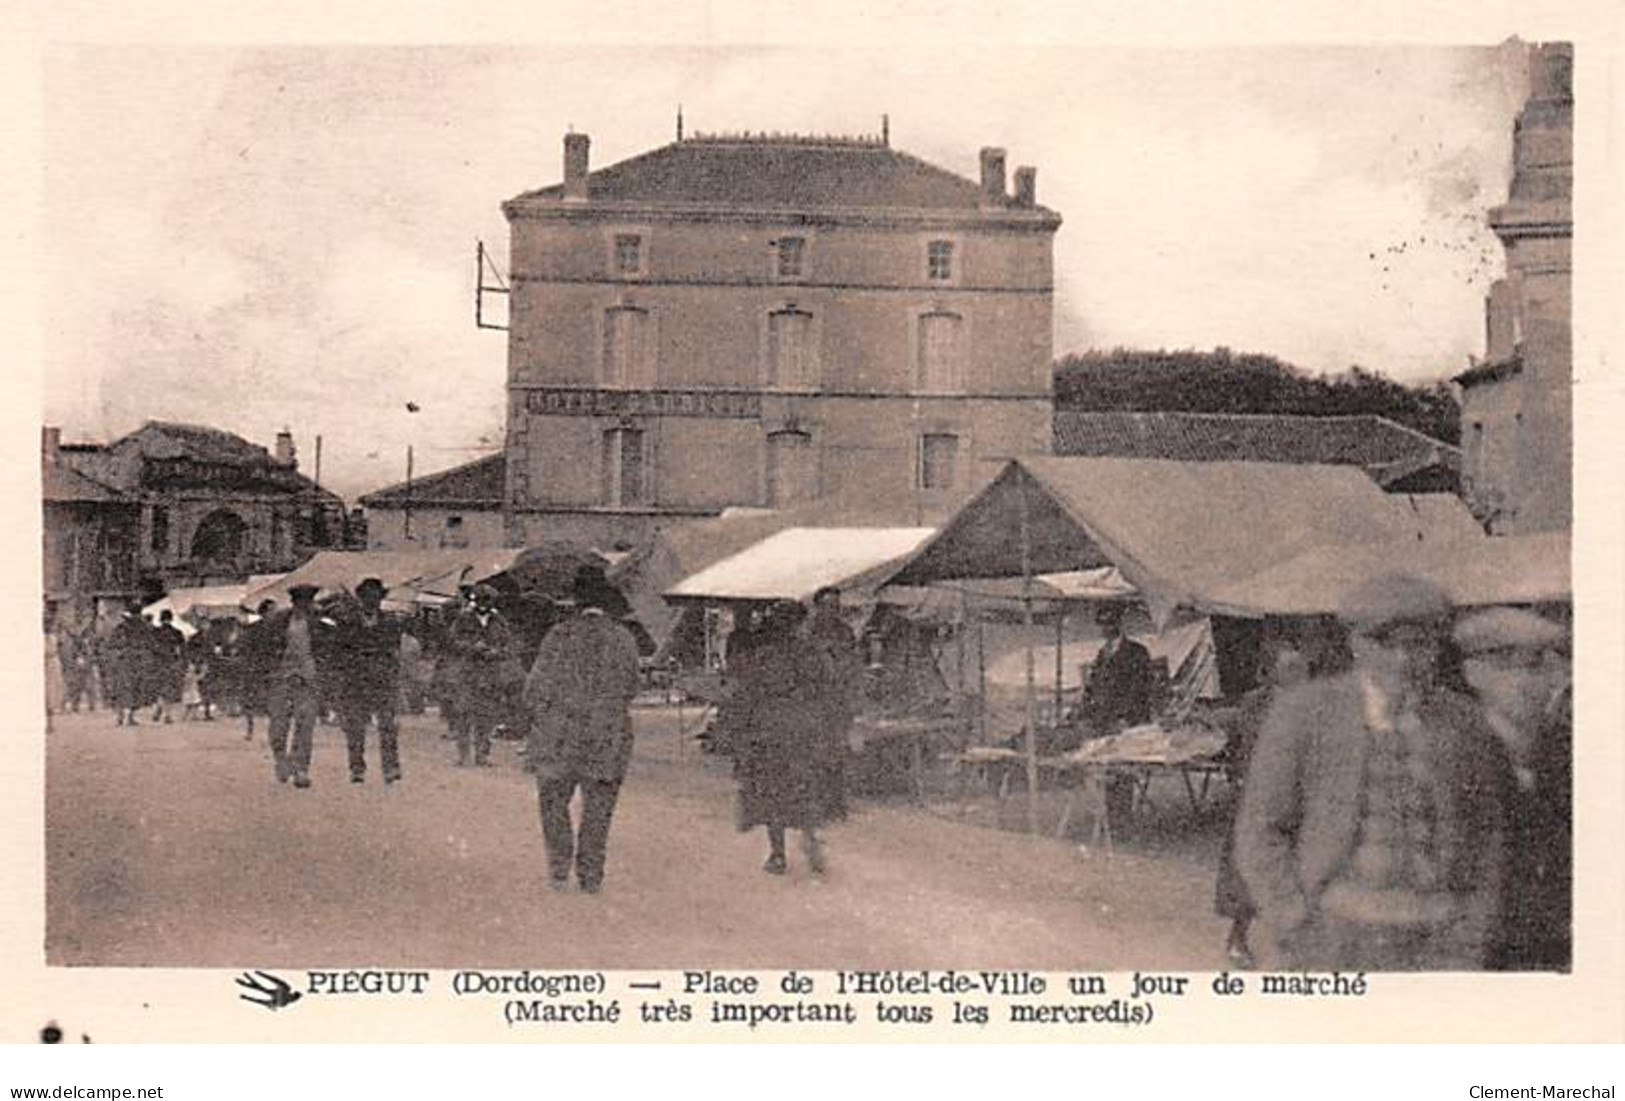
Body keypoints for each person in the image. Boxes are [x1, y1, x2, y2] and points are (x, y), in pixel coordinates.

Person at [1235, 574, 1504, 971]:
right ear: (1357, 644)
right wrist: (1291, 915)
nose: (1403, 659)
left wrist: (1472, 932)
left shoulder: (1464, 721)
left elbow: (1488, 834)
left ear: (1436, 647)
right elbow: (1261, 828)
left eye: (1418, 644)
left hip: (1438, 939)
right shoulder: (1306, 713)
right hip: (1333, 933)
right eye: (1385, 643)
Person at [1454, 606, 1572, 971]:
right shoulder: (1460, 754)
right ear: (1473, 674)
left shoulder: (1564, 750)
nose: (1524, 681)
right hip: (1483, 947)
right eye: (1506, 665)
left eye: (1536, 664)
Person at [523, 565, 642, 894]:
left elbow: (534, 688)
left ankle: (559, 867)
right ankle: (591, 873)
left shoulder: (558, 636)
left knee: (553, 801)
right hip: (607, 734)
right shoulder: (622, 638)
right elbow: (633, 686)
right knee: (599, 807)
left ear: (575, 598)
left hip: (559, 734)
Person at [724, 600, 845, 876]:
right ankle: (811, 839)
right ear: (800, 624)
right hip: (804, 729)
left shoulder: (762, 656)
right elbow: (829, 692)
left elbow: (744, 696)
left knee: (772, 790)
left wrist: (742, 734)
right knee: (806, 785)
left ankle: (778, 855)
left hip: (770, 731)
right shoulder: (814, 655)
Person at [1079, 603, 1155, 831]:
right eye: (1102, 624)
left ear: (1119, 624)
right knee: (1107, 768)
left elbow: (1140, 689)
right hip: (1104, 720)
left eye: (1110, 623)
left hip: (1126, 721)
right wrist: (1086, 710)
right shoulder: (1102, 654)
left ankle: (1122, 819)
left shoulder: (1137, 652)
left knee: (1123, 770)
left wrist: (1125, 717)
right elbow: (1092, 687)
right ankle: (1111, 818)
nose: (1106, 628)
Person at [249, 585, 331, 788]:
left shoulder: (319, 626)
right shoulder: (276, 624)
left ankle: (301, 768)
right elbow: (262, 651)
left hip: (308, 680)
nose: (304, 606)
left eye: (308, 603)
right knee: (278, 726)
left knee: (305, 726)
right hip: (280, 678)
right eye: (300, 603)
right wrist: (265, 675)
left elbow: (327, 653)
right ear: (294, 603)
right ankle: (280, 760)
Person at [331, 578, 407, 785]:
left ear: (381, 599)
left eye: (376, 596)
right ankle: (357, 768)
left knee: (388, 726)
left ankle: (390, 767)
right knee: (355, 727)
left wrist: (391, 675)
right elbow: (338, 653)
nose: (372, 601)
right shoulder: (347, 622)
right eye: (367, 596)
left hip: (382, 681)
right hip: (355, 681)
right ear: (361, 599)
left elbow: (394, 652)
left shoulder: (391, 622)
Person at [447, 584, 518, 766]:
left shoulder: (500, 621)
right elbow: (452, 642)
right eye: (480, 599)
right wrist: (471, 647)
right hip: (468, 672)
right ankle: (463, 754)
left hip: (490, 674)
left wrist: (496, 652)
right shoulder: (463, 619)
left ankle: (482, 754)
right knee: (464, 714)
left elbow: (509, 646)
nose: (483, 603)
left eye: (487, 600)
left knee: (486, 716)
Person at [104, 602, 153, 726]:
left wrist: (120, 650)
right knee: (136, 687)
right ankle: (130, 717)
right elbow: (151, 644)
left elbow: (111, 643)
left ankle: (120, 716)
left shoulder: (122, 626)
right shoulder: (144, 626)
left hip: (124, 659)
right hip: (139, 660)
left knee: (122, 687)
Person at [151, 610, 187, 724]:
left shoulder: (155, 632)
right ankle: (167, 714)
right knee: (169, 689)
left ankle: (158, 709)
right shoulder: (177, 633)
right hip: (172, 663)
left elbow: (150, 649)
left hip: (157, 663)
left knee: (160, 687)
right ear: (171, 619)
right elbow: (182, 651)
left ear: (160, 619)